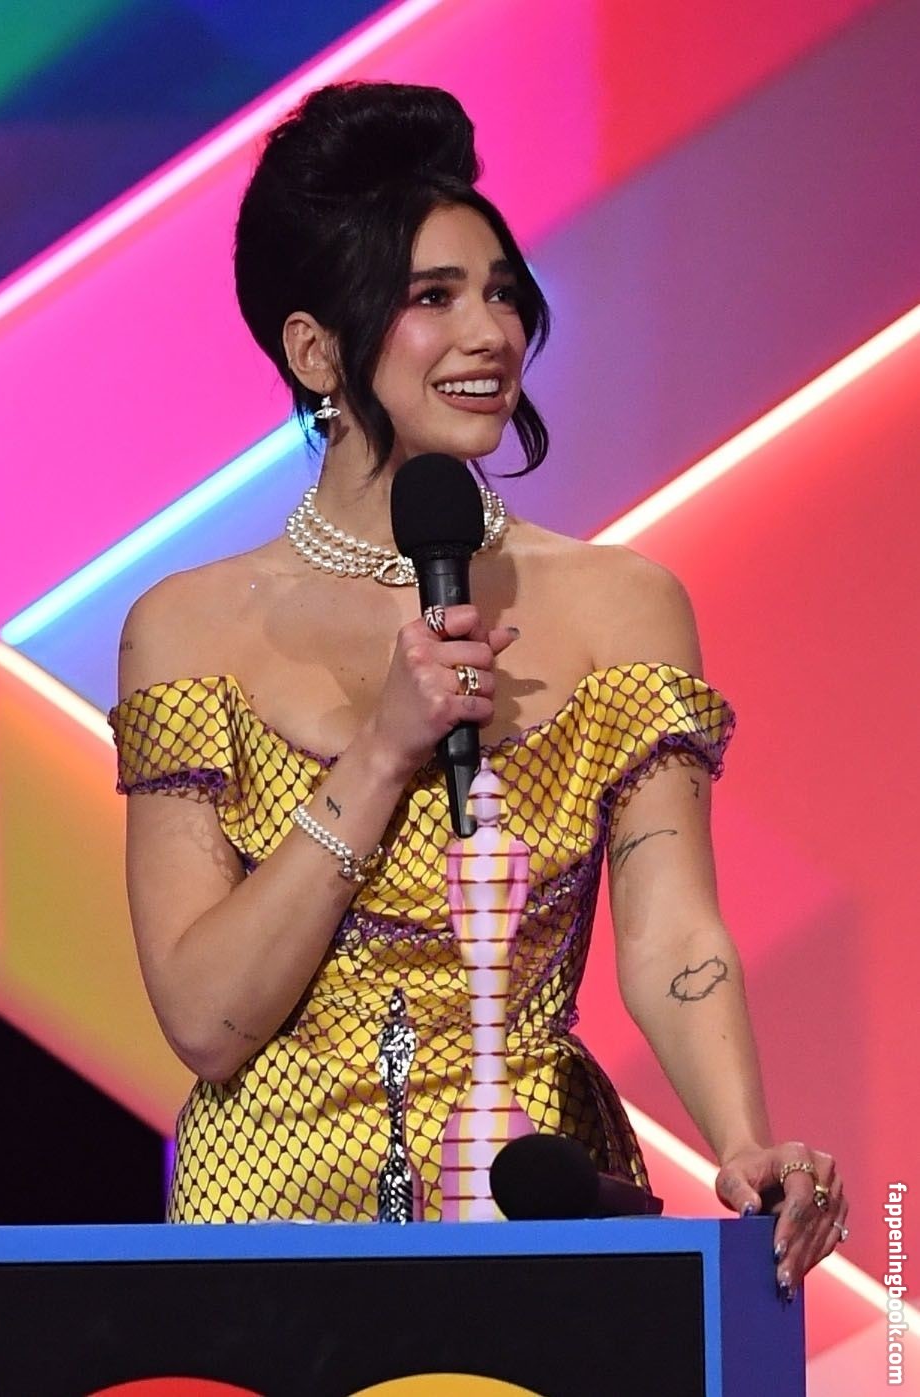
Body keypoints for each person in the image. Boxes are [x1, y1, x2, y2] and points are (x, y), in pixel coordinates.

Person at [109, 82, 846, 1295]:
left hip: (531, 1199)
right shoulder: (187, 630)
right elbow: (205, 1017)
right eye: (432, 297)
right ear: (314, 348)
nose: (490, 332)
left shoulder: (621, 605)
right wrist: (382, 751)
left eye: (501, 292)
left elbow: (671, 929)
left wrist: (742, 1138)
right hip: (273, 1230)